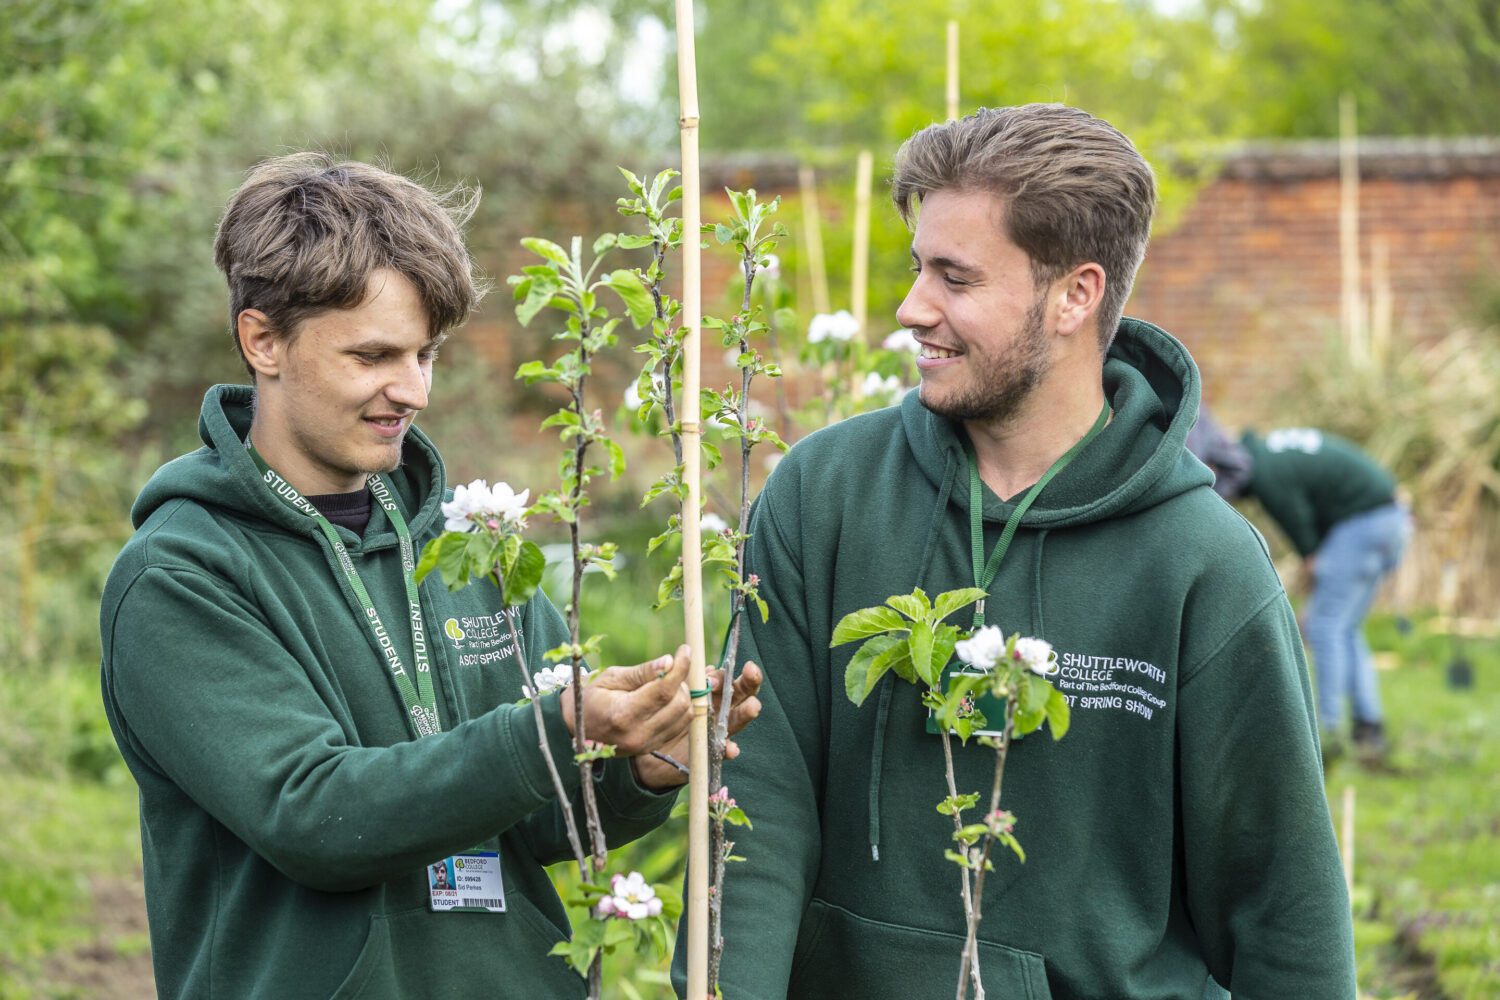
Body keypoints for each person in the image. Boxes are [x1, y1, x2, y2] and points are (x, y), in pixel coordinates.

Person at [679, 105, 1355, 999]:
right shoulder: (824, 493)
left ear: (1075, 294)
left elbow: (1282, 910)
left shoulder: (1203, 564)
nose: (912, 308)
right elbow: (755, 808)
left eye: (955, 278)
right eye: (918, 267)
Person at [99, 152, 760, 999]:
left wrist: (640, 763)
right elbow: (312, 814)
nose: (411, 390)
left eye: (425, 355)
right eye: (373, 355)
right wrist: (551, 728)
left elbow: (531, 813)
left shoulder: (471, 545)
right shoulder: (180, 575)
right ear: (262, 339)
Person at [1187, 414, 1409, 761]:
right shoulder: (1270, 451)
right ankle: (1369, 726)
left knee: (1325, 627)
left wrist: (1311, 570)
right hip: (1391, 519)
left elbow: (1307, 543)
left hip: (1364, 524)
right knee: (1345, 628)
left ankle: (1327, 731)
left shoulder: (1265, 474)